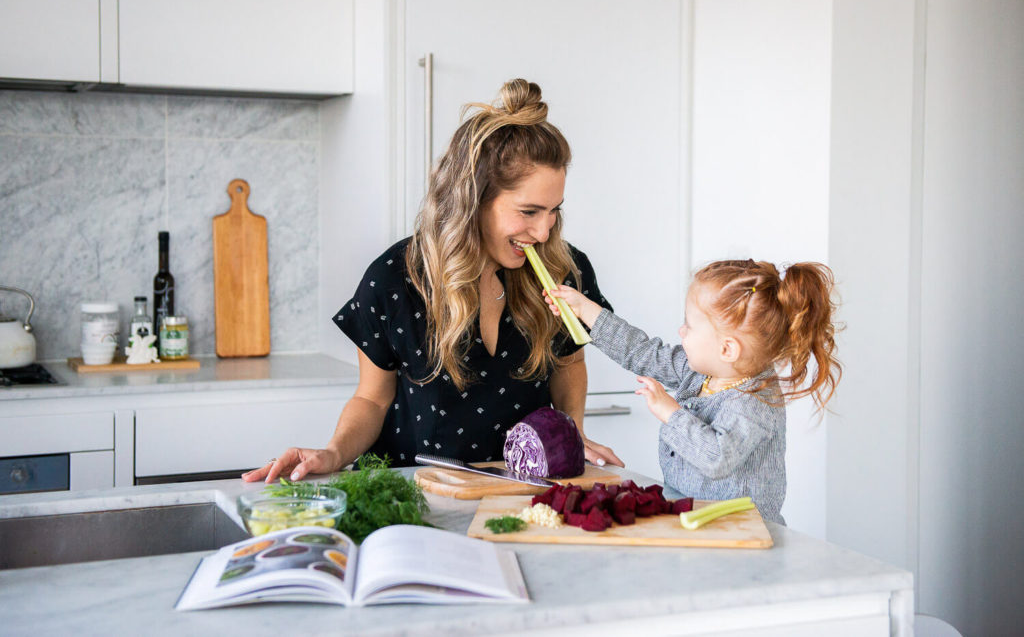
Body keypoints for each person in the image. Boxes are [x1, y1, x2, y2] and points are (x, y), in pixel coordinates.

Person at [244, 78, 623, 484]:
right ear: (472, 198)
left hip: (522, 491)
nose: (545, 232)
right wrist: (334, 452)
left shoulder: (565, 270)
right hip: (413, 492)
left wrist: (572, 433)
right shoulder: (394, 278)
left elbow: (570, 363)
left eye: (553, 211)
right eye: (529, 212)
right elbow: (372, 398)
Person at [544, 260, 841, 524]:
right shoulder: (702, 372)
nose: (681, 331)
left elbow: (716, 457)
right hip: (691, 520)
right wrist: (587, 311)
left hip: (738, 532)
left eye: (689, 325)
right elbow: (643, 352)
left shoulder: (754, 401)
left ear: (727, 349)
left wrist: (671, 413)